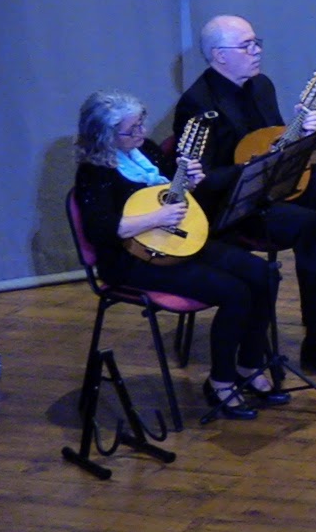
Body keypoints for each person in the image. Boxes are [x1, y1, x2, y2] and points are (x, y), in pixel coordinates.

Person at [173, 15, 316, 377]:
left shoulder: (261, 85)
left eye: (256, 42)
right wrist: (251, 169)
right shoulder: (197, 104)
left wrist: (304, 133)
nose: (257, 51)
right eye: (246, 45)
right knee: (312, 226)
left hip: (274, 187)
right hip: (235, 207)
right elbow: (202, 181)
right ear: (219, 55)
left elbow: (277, 142)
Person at [72, 90, 282, 419]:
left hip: (178, 240)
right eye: (131, 129)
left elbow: (171, 190)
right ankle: (220, 382)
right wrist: (156, 218)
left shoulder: (146, 150)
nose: (142, 133)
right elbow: (101, 230)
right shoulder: (94, 171)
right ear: (105, 135)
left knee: (264, 274)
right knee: (234, 292)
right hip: (130, 258)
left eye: (141, 124)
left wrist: (191, 181)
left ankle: (249, 365)